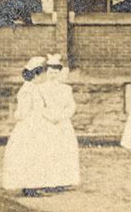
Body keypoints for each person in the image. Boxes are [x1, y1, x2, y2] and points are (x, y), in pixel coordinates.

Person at [2, 56, 50, 195]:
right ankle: (29, 187)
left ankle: (34, 185)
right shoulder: (27, 90)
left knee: (37, 154)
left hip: (36, 123)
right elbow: (22, 112)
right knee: (29, 154)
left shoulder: (34, 88)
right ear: (36, 74)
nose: (44, 77)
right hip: (29, 126)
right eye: (43, 74)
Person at [40, 54, 81, 192]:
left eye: (56, 72)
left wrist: (63, 116)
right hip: (47, 122)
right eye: (50, 72)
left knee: (64, 150)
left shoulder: (65, 89)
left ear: (59, 73)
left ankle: (62, 180)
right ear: (46, 73)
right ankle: (47, 180)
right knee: (48, 150)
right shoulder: (41, 88)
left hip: (62, 123)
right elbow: (39, 106)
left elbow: (71, 106)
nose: (53, 75)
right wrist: (49, 116)